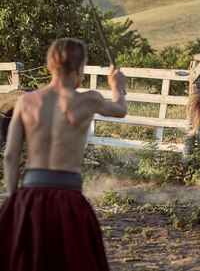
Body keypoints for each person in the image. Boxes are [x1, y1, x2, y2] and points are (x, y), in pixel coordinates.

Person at [0, 38, 127, 271]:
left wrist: (15, 198)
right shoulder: (88, 100)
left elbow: (10, 156)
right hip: (68, 199)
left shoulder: (26, 101)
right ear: (79, 69)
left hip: (30, 197)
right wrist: (117, 85)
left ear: (49, 66)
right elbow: (120, 109)